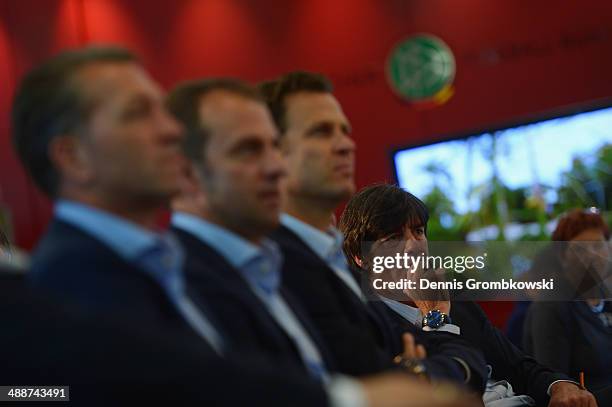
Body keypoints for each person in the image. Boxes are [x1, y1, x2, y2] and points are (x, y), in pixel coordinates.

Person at [9, 46, 478, 407]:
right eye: (138, 114)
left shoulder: (160, 260)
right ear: (72, 157)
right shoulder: (67, 279)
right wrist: (360, 397)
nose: (170, 131)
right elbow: (186, 386)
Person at [261, 71, 487, 391]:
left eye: (344, 130)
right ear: (272, 151)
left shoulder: (339, 270)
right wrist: (423, 367)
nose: (346, 145)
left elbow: (471, 360)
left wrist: (417, 371)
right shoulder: (275, 267)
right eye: (321, 132)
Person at [339, 183, 599, 407]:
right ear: (361, 257)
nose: (414, 247)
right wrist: (435, 317)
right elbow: (434, 396)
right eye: (394, 237)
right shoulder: (367, 327)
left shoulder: (458, 301)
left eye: (418, 231)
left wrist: (559, 385)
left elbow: (520, 366)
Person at [524, 209, 612, 399]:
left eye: (598, 245)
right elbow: (555, 389)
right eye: (580, 249)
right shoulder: (551, 306)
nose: (592, 255)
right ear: (562, 257)